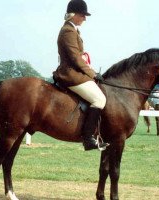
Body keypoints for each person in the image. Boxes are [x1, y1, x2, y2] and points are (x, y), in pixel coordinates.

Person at [53, 0, 108, 151]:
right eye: (83, 15)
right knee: (99, 99)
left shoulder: (73, 30)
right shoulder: (68, 31)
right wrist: (93, 73)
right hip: (70, 74)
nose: (85, 18)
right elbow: (75, 58)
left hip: (76, 72)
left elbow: (80, 57)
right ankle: (88, 138)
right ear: (73, 15)